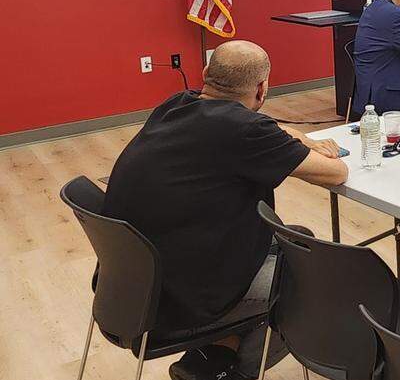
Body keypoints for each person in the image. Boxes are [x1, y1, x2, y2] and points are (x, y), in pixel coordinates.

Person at [102, 41, 348, 380]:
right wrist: (310, 147)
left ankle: (213, 355)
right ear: (263, 88)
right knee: (310, 271)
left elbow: (264, 128)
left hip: (129, 289)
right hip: (176, 302)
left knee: (298, 238)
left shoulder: (177, 104)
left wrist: (301, 140)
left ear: (205, 75)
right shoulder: (244, 131)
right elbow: (336, 173)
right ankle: (229, 374)